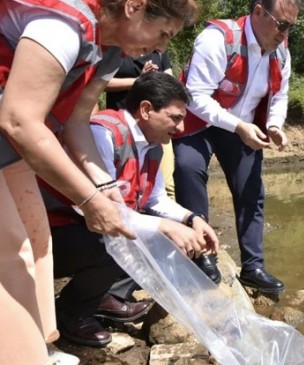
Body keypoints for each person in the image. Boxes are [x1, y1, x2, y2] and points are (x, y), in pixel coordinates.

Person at [0, 0, 198, 363]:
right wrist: (91, 201)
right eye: (163, 33)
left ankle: (40, 343)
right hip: (11, 132)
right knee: (10, 251)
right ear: (134, 7)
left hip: (9, 146)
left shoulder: (106, 51)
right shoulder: (61, 27)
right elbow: (18, 120)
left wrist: (106, 190)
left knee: (36, 241)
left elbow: (74, 121)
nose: (160, 48)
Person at [48, 71, 219, 347]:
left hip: (91, 229)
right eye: (175, 118)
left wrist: (191, 219)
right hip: (53, 234)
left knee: (159, 234)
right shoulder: (101, 134)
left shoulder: (153, 147)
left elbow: (156, 201)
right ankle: (71, 314)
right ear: (146, 109)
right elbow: (101, 210)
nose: (180, 127)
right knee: (118, 239)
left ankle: (103, 296)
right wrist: (165, 227)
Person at [172, 0, 302, 294]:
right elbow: (196, 97)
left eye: (291, 26)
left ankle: (253, 267)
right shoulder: (219, 38)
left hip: (241, 127)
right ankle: (203, 254)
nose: (285, 33)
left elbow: (280, 95)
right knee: (187, 168)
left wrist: (274, 126)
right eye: (281, 24)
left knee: (252, 191)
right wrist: (238, 126)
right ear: (258, 12)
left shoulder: (281, 52)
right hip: (199, 121)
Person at [104, 51, 177, 199]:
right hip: (122, 126)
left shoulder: (159, 51)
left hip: (156, 125)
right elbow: (103, 82)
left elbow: (170, 82)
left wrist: (155, 79)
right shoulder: (117, 51)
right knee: (122, 181)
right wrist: (139, 81)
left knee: (167, 185)